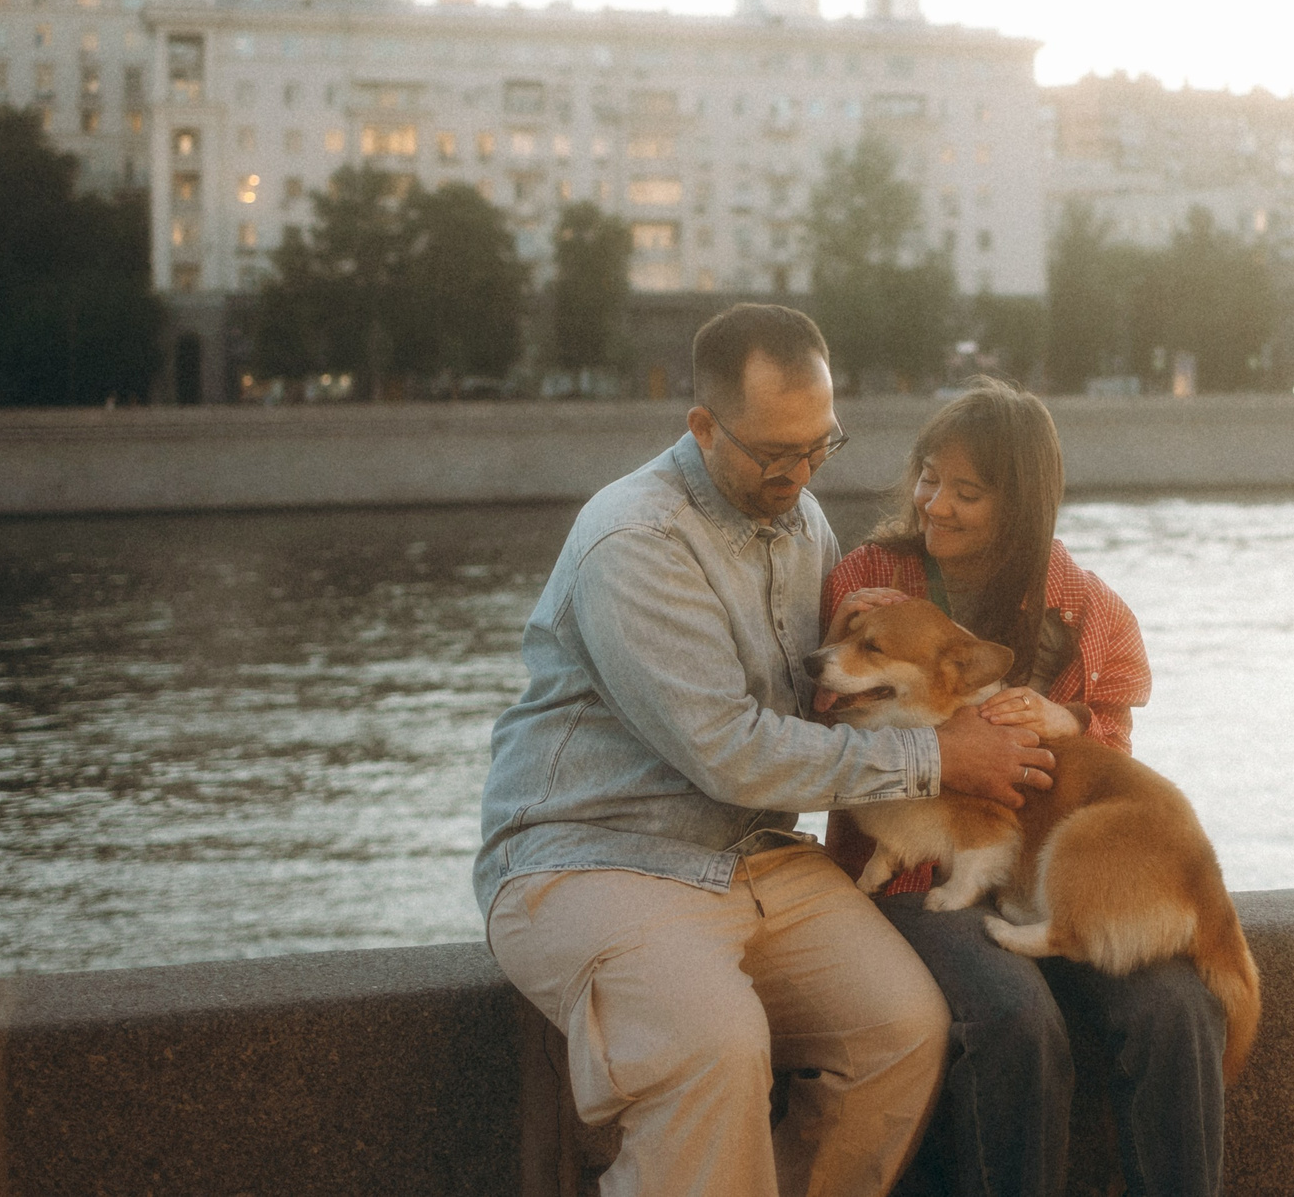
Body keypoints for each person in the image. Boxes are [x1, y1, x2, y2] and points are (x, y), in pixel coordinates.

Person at [475, 306, 1059, 1197]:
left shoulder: (800, 522)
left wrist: (852, 661)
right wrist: (939, 756)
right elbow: (731, 752)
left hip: (750, 855)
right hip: (594, 856)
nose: (799, 471)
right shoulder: (635, 540)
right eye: (773, 452)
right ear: (703, 427)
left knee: (903, 1027)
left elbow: (808, 713)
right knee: (717, 1044)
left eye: (819, 445)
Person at [822, 380, 1228, 1197]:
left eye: (966, 491)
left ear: (1022, 503)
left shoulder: (1081, 605)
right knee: (1016, 1020)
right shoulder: (867, 577)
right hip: (910, 869)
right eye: (928, 477)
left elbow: (1113, 733)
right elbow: (817, 719)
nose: (935, 503)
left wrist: (1068, 717)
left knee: (1177, 1009)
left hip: (1048, 869)